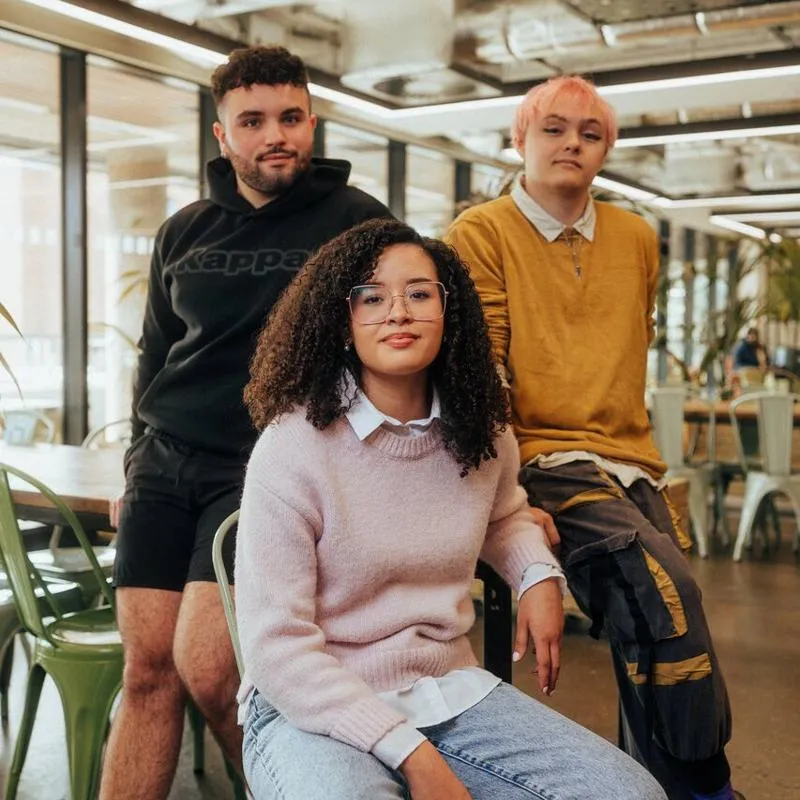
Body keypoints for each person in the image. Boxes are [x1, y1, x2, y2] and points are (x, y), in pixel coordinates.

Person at [235, 218, 667, 800]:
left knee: (631, 795)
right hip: (311, 702)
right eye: (372, 296)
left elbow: (504, 513)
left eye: (418, 293)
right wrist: (412, 755)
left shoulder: (479, 431)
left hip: (444, 689)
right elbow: (277, 649)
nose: (398, 312)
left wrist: (538, 575)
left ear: (450, 311)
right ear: (344, 319)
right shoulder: (293, 447)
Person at [100, 46, 391, 799]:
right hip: (165, 467)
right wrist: (136, 465)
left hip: (263, 472)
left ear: (312, 122)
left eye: (291, 117)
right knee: (146, 673)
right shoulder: (184, 229)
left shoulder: (359, 227)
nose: (276, 136)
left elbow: (398, 350)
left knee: (211, 672)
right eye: (253, 121)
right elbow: (155, 355)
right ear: (222, 135)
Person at [445, 76, 742, 800]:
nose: (572, 142)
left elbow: (628, 347)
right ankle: (706, 789)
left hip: (631, 460)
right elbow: (483, 377)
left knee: (655, 623)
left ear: (606, 149)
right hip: (542, 456)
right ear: (521, 139)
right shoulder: (478, 234)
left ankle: (648, 785)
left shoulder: (638, 236)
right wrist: (507, 499)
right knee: (664, 596)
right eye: (553, 128)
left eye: (590, 132)